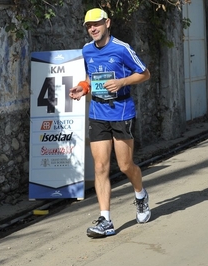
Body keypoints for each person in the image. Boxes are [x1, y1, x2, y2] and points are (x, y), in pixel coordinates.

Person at [69, 8, 151, 238]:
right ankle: (106, 219)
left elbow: (145, 74)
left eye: (96, 24)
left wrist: (122, 82)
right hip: (97, 113)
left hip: (122, 112)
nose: (92, 29)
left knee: (125, 166)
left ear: (108, 23)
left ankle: (141, 195)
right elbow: (90, 78)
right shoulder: (86, 50)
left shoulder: (122, 48)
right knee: (100, 167)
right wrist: (82, 88)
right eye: (88, 26)